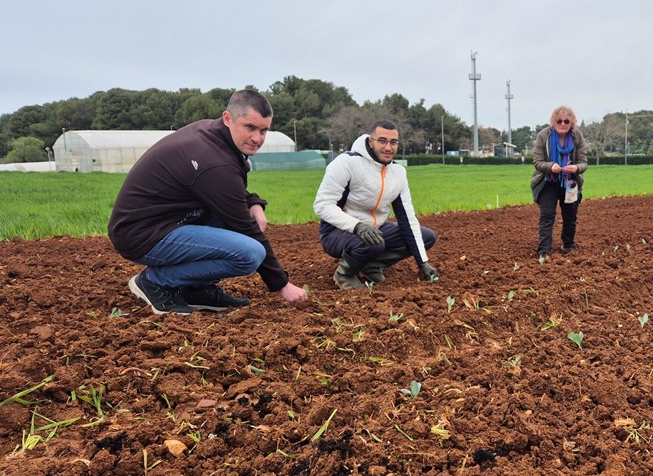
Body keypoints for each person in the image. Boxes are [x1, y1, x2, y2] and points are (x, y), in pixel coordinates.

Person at [108, 90, 309, 315]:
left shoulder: (213, 134)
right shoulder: (213, 161)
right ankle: (155, 281)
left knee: (238, 225)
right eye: (250, 127)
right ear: (227, 118)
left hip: (166, 221)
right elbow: (245, 226)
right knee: (249, 253)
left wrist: (254, 203)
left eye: (263, 130)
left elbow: (227, 189)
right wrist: (282, 285)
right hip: (140, 234)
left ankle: (195, 289)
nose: (257, 138)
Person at [314, 120, 438, 289]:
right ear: (370, 141)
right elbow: (322, 205)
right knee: (373, 243)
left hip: (374, 230)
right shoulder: (347, 163)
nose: (388, 147)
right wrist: (357, 226)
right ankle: (345, 273)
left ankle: (370, 266)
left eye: (393, 142)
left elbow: (407, 219)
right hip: (337, 232)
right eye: (382, 141)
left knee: (426, 237)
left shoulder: (398, 173)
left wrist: (423, 262)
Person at [531, 106, 588, 259]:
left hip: (569, 181)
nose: (562, 124)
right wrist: (551, 167)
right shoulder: (544, 136)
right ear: (553, 122)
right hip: (547, 181)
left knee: (570, 215)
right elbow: (537, 162)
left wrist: (575, 168)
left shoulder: (577, 137)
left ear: (572, 123)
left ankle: (568, 245)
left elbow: (584, 163)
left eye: (566, 121)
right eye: (559, 121)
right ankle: (544, 251)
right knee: (547, 215)